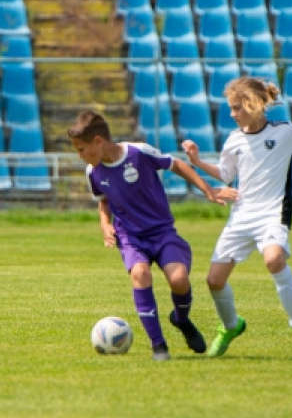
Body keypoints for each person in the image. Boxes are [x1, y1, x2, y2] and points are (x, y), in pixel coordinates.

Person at [182, 77, 292, 358]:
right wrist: (197, 161)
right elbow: (226, 174)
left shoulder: (284, 133)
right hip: (241, 215)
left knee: (274, 259)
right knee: (214, 281)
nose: (232, 113)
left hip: (272, 213)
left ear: (253, 105)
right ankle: (230, 326)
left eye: (237, 107)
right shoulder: (234, 139)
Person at [68, 110, 236, 361]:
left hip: (162, 231)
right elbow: (103, 202)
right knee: (140, 273)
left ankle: (181, 320)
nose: (80, 156)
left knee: (179, 280)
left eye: (81, 150)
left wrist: (207, 190)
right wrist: (105, 225)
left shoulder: (139, 153)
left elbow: (176, 164)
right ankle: (159, 345)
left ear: (98, 142)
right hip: (130, 236)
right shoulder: (93, 172)